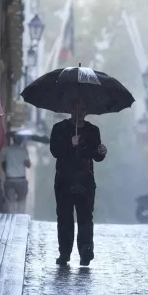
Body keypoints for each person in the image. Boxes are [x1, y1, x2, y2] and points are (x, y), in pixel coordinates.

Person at [49, 103, 107, 266]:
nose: (79, 113)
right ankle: (64, 253)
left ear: (86, 111)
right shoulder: (59, 128)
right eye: (75, 109)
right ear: (70, 110)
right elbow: (54, 150)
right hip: (64, 180)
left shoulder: (93, 130)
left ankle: (86, 251)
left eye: (83, 109)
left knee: (85, 218)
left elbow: (95, 155)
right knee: (64, 217)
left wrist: (100, 153)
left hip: (85, 180)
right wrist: (70, 144)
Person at [1, 135, 31, 212]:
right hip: (21, 180)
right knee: (21, 202)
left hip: (9, 179)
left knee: (10, 202)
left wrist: (7, 172)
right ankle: (20, 218)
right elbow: (28, 165)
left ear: (13, 140)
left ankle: (11, 218)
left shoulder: (6, 150)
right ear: (21, 141)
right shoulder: (23, 151)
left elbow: (3, 164)